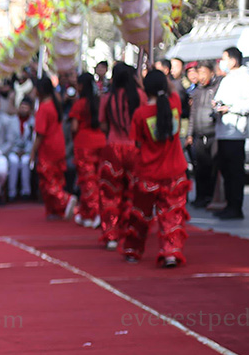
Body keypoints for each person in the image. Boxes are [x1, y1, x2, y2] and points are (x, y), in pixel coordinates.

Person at [124, 70, 189, 266]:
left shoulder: (140, 114)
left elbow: (136, 144)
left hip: (148, 173)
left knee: (141, 215)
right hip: (174, 172)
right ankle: (170, 252)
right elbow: (171, 89)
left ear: (146, 88)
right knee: (171, 214)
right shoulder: (175, 104)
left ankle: (133, 251)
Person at [211, 46, 249, 220]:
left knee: (235, 172)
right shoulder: (227, 78)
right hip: (223, 130)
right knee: (225, 171)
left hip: (235, 132)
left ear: (233, 60)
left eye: (224, 58)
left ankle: (236, 207)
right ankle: (229, 204)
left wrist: (231, 109)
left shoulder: (244, 78)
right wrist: (217, 104)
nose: (221, 62)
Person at [98, 62, 144, 248]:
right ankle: (130, 230)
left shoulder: (107, 98)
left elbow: (102, 124)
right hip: (134, 148)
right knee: (132, 191)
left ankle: (111, 234)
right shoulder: (139, 96)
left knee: (110, 192)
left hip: (112, 148)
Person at [31, 75, 76, 220]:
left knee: (47, 179)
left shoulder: (44, 108)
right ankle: (54, 210)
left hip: (48, 147)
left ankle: (64, 199)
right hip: (58, 145)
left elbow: (40, 134)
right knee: (56, 177)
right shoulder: (54, 103)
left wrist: (32, 152)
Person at [69, 71, 104, 228]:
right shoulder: (99, 101)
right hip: (101, 142)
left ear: (81, 85)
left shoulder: (80, 103)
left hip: (84, 144)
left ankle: (95, 212)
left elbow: (74, 126)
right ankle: (86, 213)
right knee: (97, 179)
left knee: (87, 180)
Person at [187, 60, 219, 208]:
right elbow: (192, 115)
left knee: (212, 168)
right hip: (199, 135)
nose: (201, 77)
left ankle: (211, 197)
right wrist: (190, 133)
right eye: (199, 73)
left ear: (211, 73)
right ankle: (200, 197)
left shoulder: (217, 88)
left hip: (213, 134)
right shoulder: (197, 91)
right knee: (200, 168)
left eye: (204, 73)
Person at [9, 97, 35, 198]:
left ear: (29, 109)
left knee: (25, 162)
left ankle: (26, 191)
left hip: (27, 151)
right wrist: (16, 151)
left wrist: (26, 151)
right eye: (22, 107)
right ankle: (12, 192)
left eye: (26, 107)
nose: (23, 109)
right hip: (13, 150)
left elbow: (33, 140)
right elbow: (9, 139)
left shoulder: (33, 122)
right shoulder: (12, 121)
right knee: (13, 161)